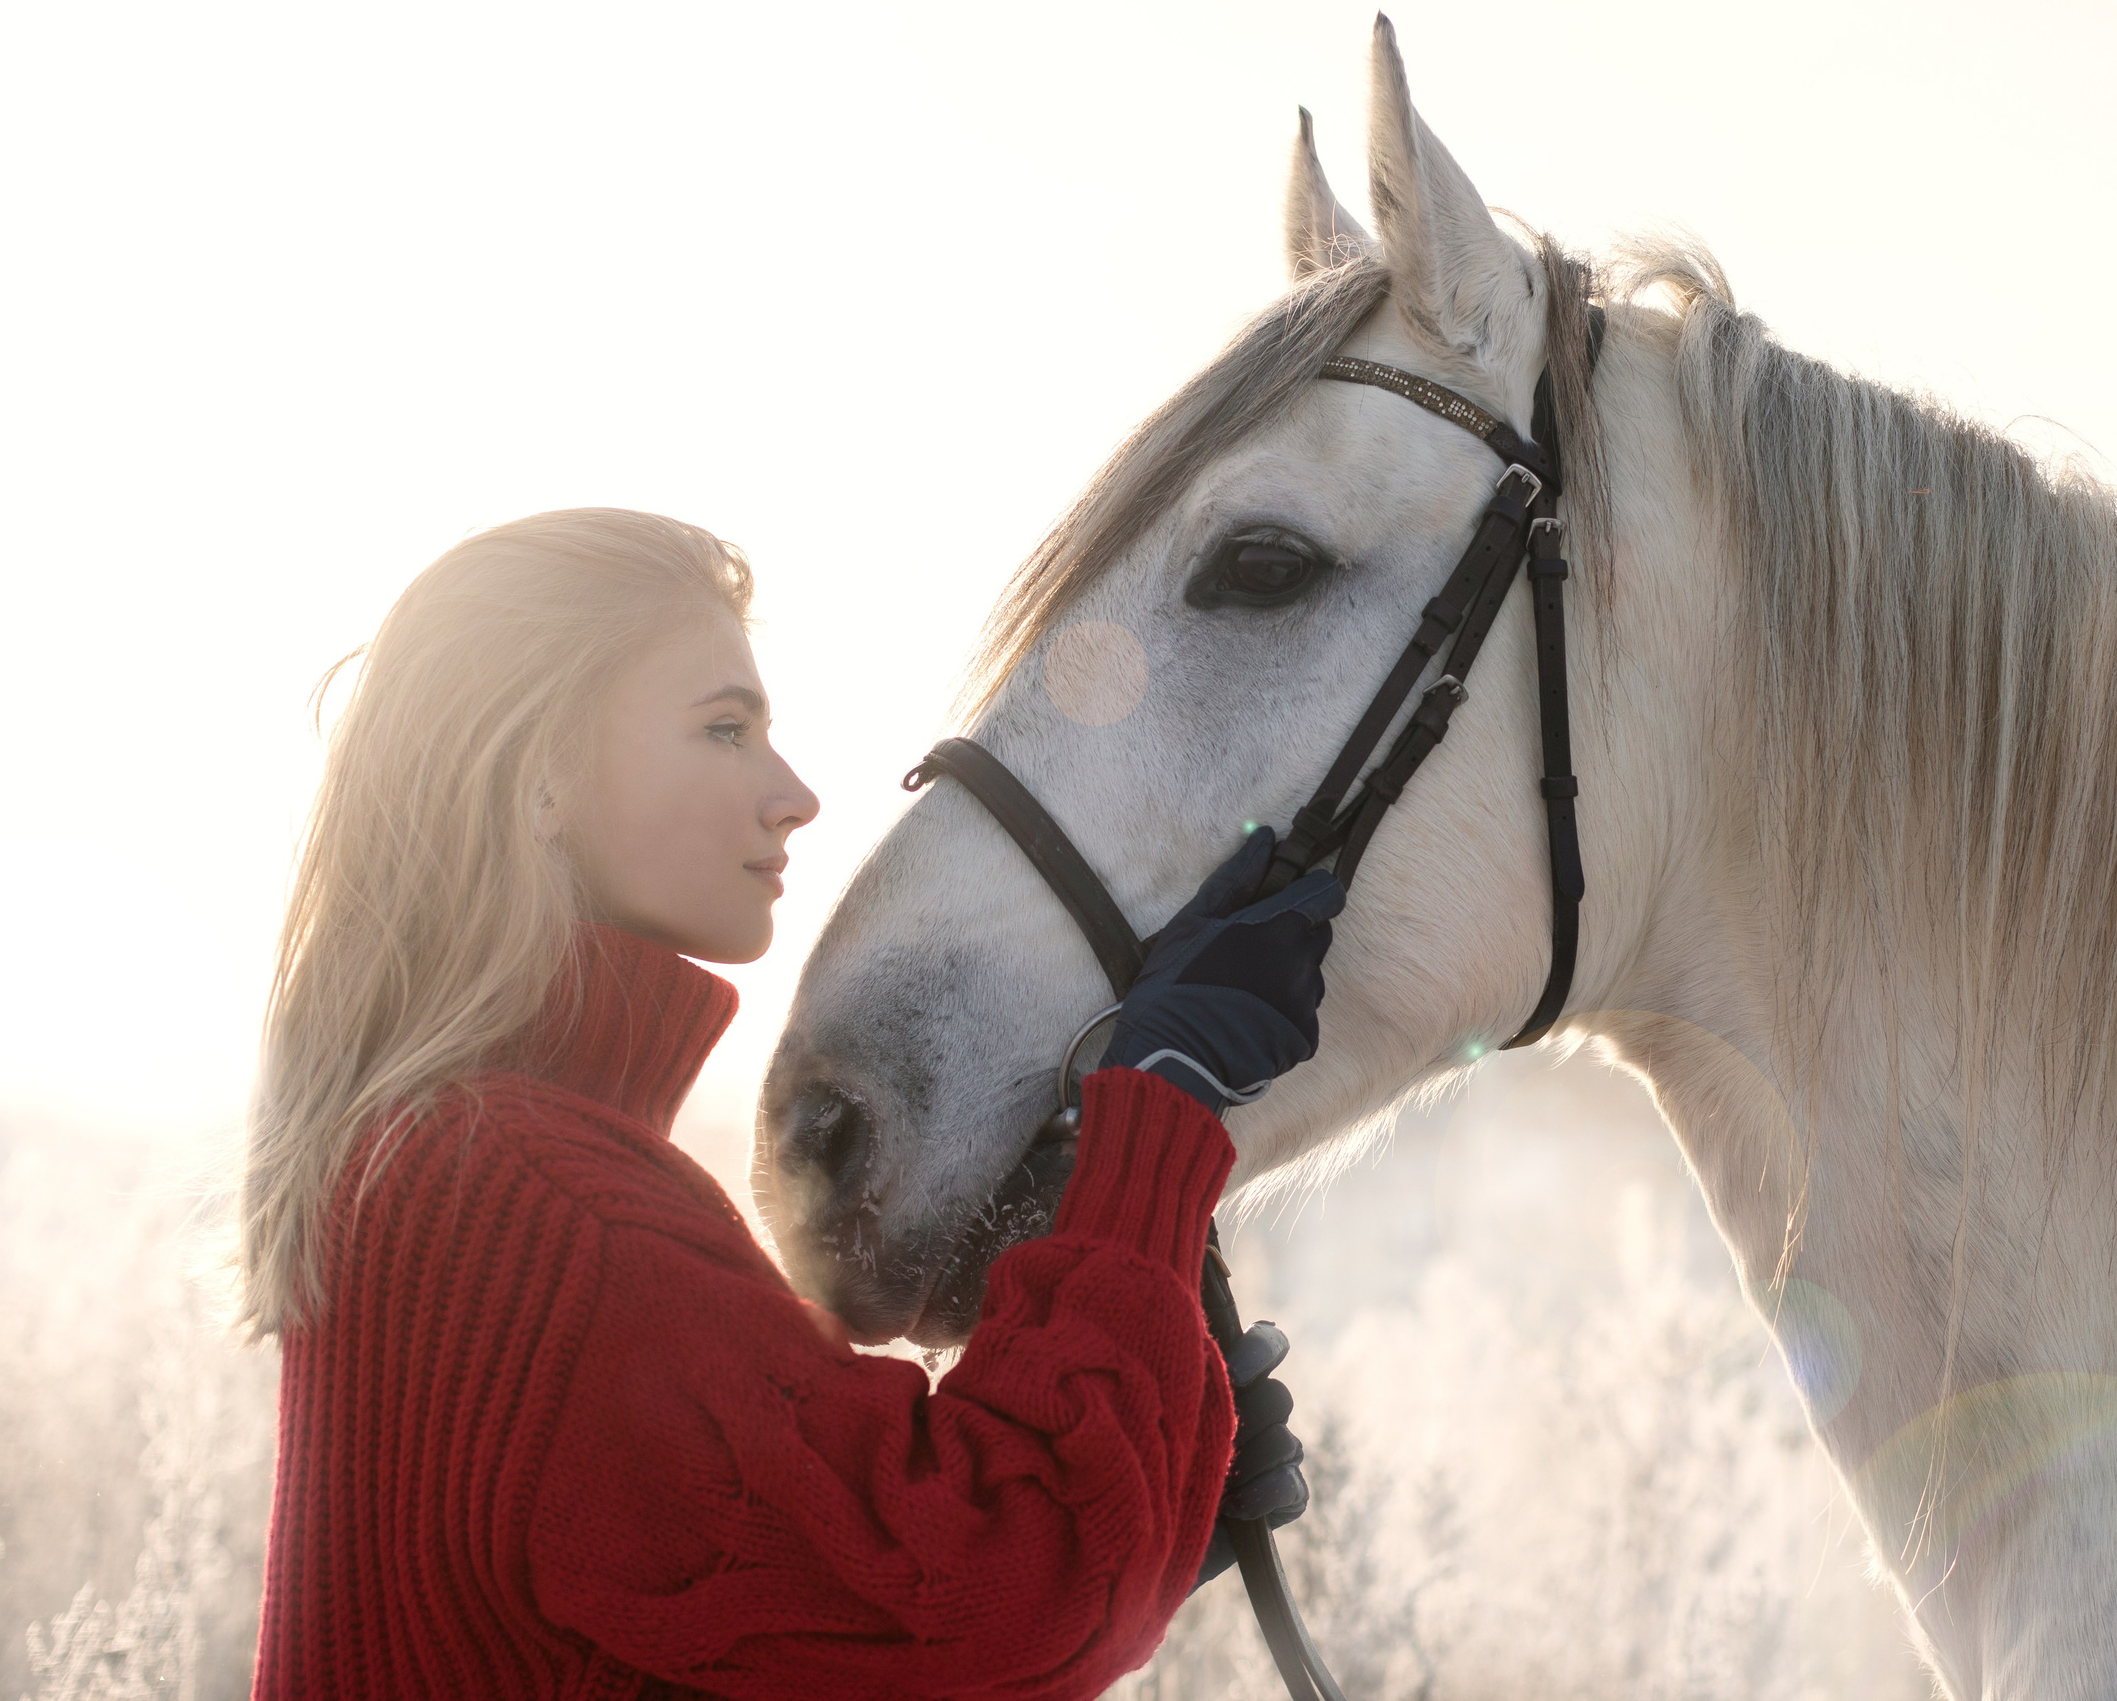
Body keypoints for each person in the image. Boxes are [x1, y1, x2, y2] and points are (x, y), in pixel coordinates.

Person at [240, 509, 1339, 1699]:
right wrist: (1164, 1103)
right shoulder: (539, 1201)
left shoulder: (447, 1161)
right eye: (725, 728)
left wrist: (1148, 1532)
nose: (795, 793)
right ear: (539, 777)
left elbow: (811, 1640)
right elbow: (983, 1595)